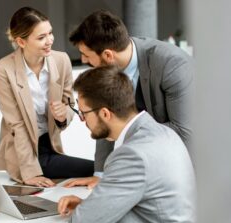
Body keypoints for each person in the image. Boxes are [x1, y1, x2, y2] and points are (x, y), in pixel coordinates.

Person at [66, 9, 195, 188]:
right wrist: (100, 174)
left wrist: (124, 132)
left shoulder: (172, 65)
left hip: (185, 170)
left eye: (87, 55)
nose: (83, 60)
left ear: (108, 55)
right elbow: (106, 121)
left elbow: (184, 132)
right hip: (143, 168)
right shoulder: (107, 71)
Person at [58, 66, 196, 223]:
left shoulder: (132, 155)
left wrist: (87, 212)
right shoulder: (163, 133)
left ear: (105, 114)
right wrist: (88, 206)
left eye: (83, 114)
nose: (83, 121)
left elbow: (83, 222)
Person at [0, 7, 93, 187]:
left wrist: (63, 116)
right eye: (41, 37)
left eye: (50, 33)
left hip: (50, 144)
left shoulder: (62, 61)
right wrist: (30, 172)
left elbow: (69, 104)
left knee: (98, 169)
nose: (49, 41)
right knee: (95, 169)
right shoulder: (3, 69)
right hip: (23, 150)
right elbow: (16, 124)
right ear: (21, 42)